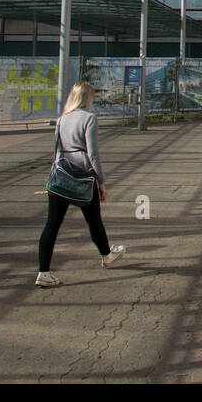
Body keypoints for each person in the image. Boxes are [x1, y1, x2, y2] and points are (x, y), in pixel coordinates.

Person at [36, 82, 124, 287]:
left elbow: (57, 150)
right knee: (93, 220)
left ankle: (44, 271)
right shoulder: (89, 118)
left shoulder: (62, 119)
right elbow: (92, 153)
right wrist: (101, 182)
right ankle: (107, 255)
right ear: (87, 98)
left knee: (52, 224)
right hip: (83, 177)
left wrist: (54, 174)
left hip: (61, 175)